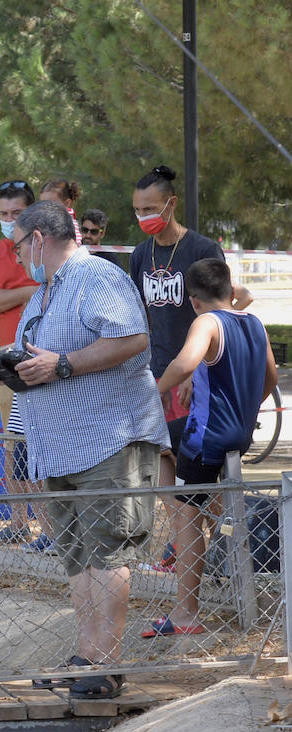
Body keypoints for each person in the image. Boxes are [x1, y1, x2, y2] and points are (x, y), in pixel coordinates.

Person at [0, 201, 169, 700]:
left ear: (37, 239)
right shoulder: (44, 293)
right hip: (60, 449)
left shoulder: (96, 275)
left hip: (108, 440)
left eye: (16, 246)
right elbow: (43, 359)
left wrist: (65, 365)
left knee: (107, 550)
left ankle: (108, 665)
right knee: (75, 554)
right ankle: (86, 654)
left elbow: (135, 338)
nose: (14, 257)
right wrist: (12, 367)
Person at [146, 258, 277, 639]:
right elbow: (269, 375)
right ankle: (205, 515)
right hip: (238, 434)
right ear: (232, 292)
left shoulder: (205, 322)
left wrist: (153, 390)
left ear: (194, 301)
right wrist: (246, 406)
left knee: (187, 519)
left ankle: (186, 611)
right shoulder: (252, 322)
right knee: (158, 439)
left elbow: (185, 363)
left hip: (207, 439)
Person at [129, 164, 254, 491]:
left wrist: (199, 368)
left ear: (171, 204)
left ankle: (216, 537)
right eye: (138, 210)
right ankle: (183, 540)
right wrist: (151, 376)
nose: (144, 217)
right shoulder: (141, 254)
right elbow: (142, 319)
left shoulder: (201, 249)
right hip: (160, 372)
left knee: (200, 475)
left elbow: (235, 303)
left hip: (197, 378)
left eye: (151, 209)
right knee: (164, 464)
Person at [0, 180, 42, 546]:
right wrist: (28, 292)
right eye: (3, 214)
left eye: (16, 213)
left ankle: (55, 528)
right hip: (8, 367)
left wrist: (9, 296)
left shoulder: (45, 250)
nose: (9, 219)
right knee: (13, 445)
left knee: (44, 445)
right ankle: (19, 522)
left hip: (47, 363)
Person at [39, 178, 83, 244]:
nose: (45, 208)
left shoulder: (68, 224)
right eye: (42, 204)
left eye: (51, 204)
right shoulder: (44, 222)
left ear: (67, 203)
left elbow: (75, 244)